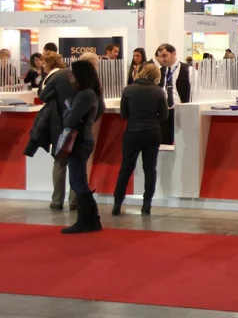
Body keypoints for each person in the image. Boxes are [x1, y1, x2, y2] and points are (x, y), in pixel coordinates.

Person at [39, 52, 104, 212]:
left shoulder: (60, 75)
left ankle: (57, 200)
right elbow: (100, 107)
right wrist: (89, 121)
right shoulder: (91, 85)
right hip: (80, 132)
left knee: (61, 163)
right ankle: (75, 202)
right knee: (78, 170)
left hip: (60, 127)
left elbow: (43, 95)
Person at [112, 64, 168, 216]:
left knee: (126, 168)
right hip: (152, 133)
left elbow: (124, 114)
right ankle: (147, 204)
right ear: (156, 76)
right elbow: (164, 116)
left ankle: (117, 203)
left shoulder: (128, 90)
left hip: (133, 133)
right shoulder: (159, 91)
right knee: (150, 169)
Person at [60, 60, 104, 234]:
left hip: (79, 139)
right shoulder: (91, 93)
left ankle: (86, 220)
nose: (71, 76)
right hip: (83, 138)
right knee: (78, 180)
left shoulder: (85, 94)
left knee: (78, 181)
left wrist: (68, 113)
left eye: (73, 73)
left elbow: (70, 119)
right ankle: (90, 219)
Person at [158, 43, 191, 145]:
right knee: (164, 143)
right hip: (164, 112)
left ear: (173, 54)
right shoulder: (160, 71)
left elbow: (194, 92)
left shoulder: (188, 70)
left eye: (164, 56)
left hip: (180, 110)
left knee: (182, 143)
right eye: (160, 57)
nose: (162, 59)